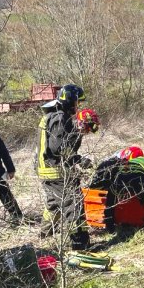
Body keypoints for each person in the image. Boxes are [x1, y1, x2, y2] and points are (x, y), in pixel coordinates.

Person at [35, 84, 93, 250]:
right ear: (69, 101)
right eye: (76, 103)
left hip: (48, 169)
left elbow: (60, 143)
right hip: (56, 171)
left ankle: (43, 236)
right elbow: (58, 147)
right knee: (73, 203)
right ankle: (80, 244)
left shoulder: (54, 116)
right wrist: (77, 160)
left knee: (53, 205)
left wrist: (77, 133)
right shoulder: (60, 117)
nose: (77, 107)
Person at [88, 146, 144, 245]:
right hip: (137, 177)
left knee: (110, 202)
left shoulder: (138, 160)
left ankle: (110, 229)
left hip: (121, 176)